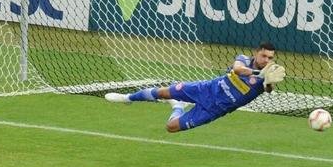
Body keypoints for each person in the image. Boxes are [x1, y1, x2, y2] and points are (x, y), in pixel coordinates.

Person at [104, 42, 285, 132]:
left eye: (270, 58)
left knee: (171, 127)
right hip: (206, 89)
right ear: (256, 53)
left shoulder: (267, 77)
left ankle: (177, 106)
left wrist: (268, 82)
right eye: (264, 56)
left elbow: (268, 90)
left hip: (213, 109)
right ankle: (126, 98)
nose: (267, 60)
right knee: (163, 91)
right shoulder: (244, 59)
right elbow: (238, 70)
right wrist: (256, 73)